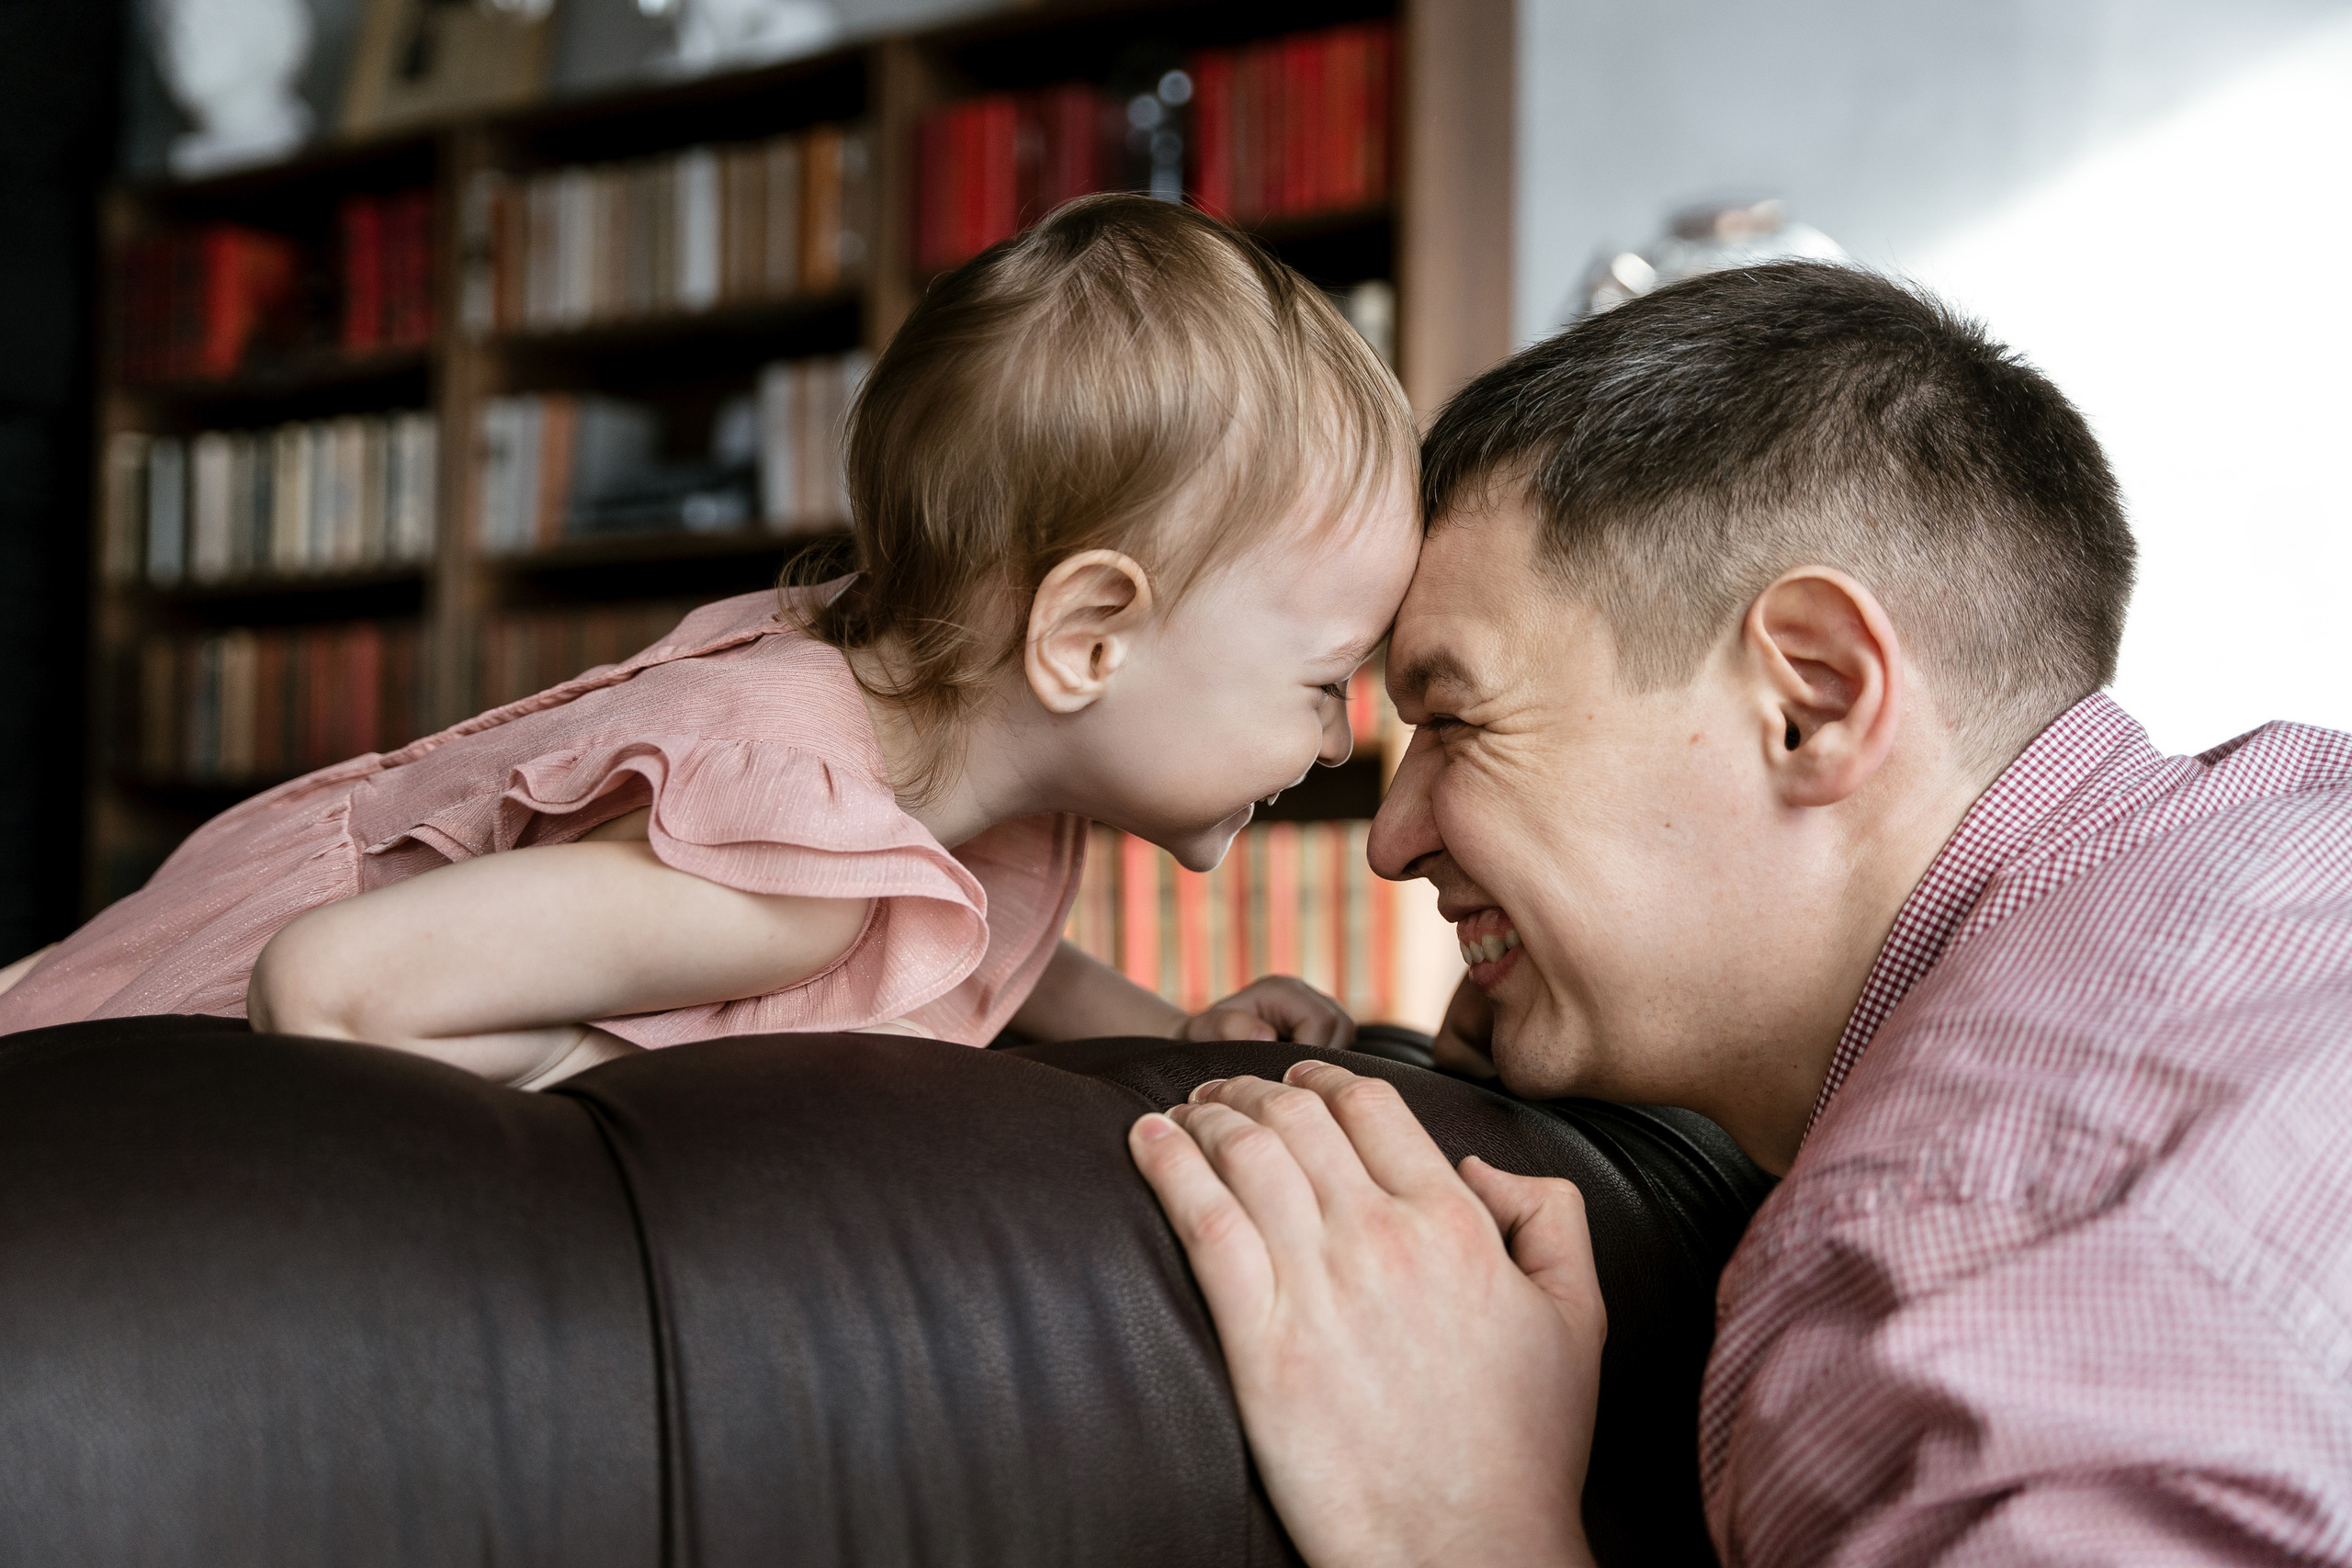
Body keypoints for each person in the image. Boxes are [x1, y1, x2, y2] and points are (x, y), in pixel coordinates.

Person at [1131, 262, 2352, 1565]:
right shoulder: (2300, 822)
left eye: (1455, 719)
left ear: (1810, 699)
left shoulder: (1951, 1246)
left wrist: (1465, 1529)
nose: (1390, 840)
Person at [0, 195, 1421, 1087]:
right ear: (1089, 636)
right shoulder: (777, 871)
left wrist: (1171, 1037)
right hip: (130, 1066)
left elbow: (975, 944)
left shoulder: (945, 769)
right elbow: (326, 986)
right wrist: (592, 1059)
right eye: (1320, 680)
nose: (1341, 736)